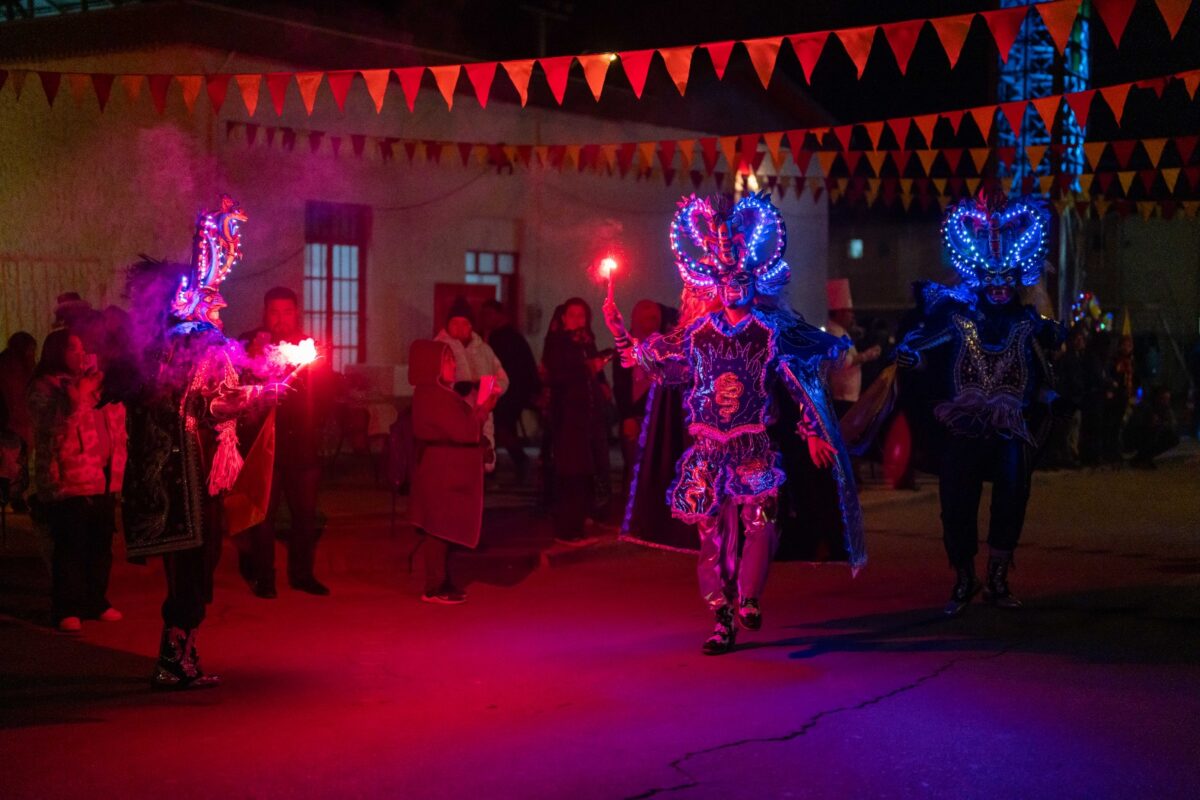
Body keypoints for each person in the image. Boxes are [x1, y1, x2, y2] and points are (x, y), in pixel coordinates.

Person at [603, 192, 864, 655]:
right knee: (712, 537)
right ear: (713, 283)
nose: (732, 286)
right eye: (724, 278)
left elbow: (799, 377)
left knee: (761, 521)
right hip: (706, 449)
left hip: (753, 447)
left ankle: (748, 597)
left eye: (741, 277)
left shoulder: (772, 329)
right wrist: (622, 334)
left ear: (755, 280)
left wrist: (812, 431)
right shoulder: (697, 333)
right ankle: (721, 616)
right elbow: (647, 359)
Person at [117, 196, 287, 689]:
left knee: (200, 565)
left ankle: (182, 656)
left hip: (194, 474)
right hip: (182, 476)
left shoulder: (181, 345)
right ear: (185, 301)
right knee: (191, 570)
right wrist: (252, 394)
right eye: (212, 299)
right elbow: (206, 406)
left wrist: (253, 391)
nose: (221, 305)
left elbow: (207, 403)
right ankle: (174, 659)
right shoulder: (185, 344)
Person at [895, 191, 1065, 616]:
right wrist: (909, 356)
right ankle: (964, 576)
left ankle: (998, 575)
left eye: (1006, 277)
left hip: (1012, 424)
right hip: (964, 421)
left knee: (1013, 489)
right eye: (990, 278)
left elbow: (1051, 356)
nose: (999, 286)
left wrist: (1051, 387)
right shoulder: (958, 317)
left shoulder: (1029, 323)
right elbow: (920, 344)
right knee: (956, 496)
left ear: (1017, 278)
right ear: (976, 277)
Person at [236, 287, 334, 598]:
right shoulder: (250, 343)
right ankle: (264, 576)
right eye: (274, 312)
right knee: (263, 513)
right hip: (264, 441)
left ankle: (302, 574)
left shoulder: (309, 347)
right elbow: (237, 390)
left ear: (296, 313)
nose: (280, 318)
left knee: (304, 514)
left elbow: (325, 391)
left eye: (287, 312)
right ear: (266, 313)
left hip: (302, 442)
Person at [27, 329, 126, 632]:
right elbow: (55, 428)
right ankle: (66, 607)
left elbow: (115, 420)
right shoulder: (44, 387)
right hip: (68, 480)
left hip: (102, 477)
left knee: (100, 545)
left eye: (83, 348)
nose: (80, 354)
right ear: (56, 352)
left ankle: (95, 600)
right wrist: (78, 393)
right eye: (72, 349)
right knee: (70, 546)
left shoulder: (92, 383)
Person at [408, 339, 487, 604]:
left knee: (445, 527)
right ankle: (434, 586)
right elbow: (466, 432)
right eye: (446, 360)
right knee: (439, 529)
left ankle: (442, 581)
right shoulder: (433, 395)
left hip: (444, 467)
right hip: (441, 470)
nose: (453, 365)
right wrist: (483, 408)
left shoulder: (438, 393)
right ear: (431, 365)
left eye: (452, 359)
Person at [544, 298, 613, 546]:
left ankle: (580, 519)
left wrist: (602, 383)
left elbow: (595, 368)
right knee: (570, 472)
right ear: (563, 317)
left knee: (586, 470)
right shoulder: (557, 342)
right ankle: (566, 527)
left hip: (588, 416)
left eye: (581, 315)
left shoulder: (586, 340)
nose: (576, 320)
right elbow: (559, 374)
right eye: (572, 315)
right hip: (568, 416)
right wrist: (587, 368)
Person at [435, 298, 508, 472]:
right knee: (455, 464)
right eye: (455, 323)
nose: (460, 328)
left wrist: (487, 389)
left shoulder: (484, 350)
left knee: (480, 463)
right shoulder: (438, 348)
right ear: (448, 325)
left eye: (464, 323)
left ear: (471, 326)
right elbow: (429, 382)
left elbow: (502, 379)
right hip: (452, 415)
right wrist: (454, 388)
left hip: (482, 411)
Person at [479, 300, 540, 483]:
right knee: (501, 429)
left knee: (501, 428)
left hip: (509, 392)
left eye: (488, 314)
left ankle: (518, 462)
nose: (485, 319)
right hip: (510, 391)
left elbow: (503, 367)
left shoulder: (504, 338)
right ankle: (502, 465)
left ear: (499, 315)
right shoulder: (507, 336)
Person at [612, 300, 664, 488]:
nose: (653, 322)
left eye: (655, 318)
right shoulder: (627, 346)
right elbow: (621, 385)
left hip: (656, 418)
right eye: (648, 318)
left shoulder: (661, 346)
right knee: (635, 469)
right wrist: (627, 417)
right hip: (635, 417)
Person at [825, 279, 882, 419]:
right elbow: (842, 361)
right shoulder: (833, 333)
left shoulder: (841, 331)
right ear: (839, 313)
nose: (852, 316)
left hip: (848, 397)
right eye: (849, 312)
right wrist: (867, 355)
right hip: (842, 398)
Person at [0, 332, 37, 513]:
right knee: (15, 462)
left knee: (12, 462)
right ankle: (14, 496)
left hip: (15, 420)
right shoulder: (19, 367)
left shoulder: (7, 363)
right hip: (15, 420)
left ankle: (11, 495)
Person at [1125, 386, 1179, 468]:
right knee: (1151, 433)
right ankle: (1141, 458)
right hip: (1137, 435)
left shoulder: (1165, 409)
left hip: (1151, 433)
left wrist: (1163, 424)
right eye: (1164, 399)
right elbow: (1137, 424)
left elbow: (1172, 424)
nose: (1167, 401)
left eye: (1168, 399)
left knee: (1171, 437)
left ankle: (1145, 457)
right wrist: (1151, 422)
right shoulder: (1147, 406)